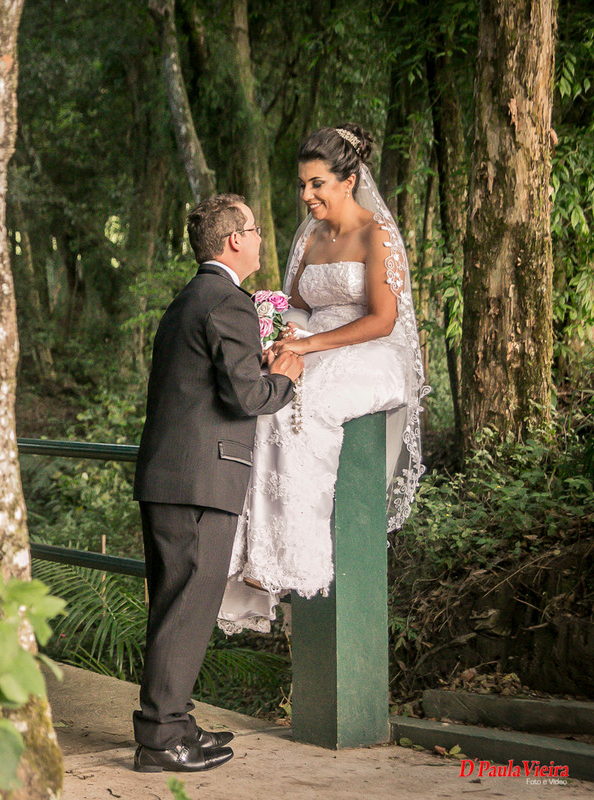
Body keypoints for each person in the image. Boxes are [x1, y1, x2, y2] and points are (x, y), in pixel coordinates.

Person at [217, 124, 430, 633]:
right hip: (315, 340)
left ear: (349, 180)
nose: (305, 195)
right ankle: (255, 561)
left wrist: (308, 345)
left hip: (371, 350)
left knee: (304, 399)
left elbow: (382, 319)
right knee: (272, 391)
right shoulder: (312, 237)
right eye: (302, 184)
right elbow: (297, 307)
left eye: (316, 184)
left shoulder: (377, 234)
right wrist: (279, 339)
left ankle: (299, 561)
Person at [132, 193, 304, 772]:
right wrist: (283, 376)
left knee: (175, 605)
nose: (259, 237)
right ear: (234, 240)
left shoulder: (189, 299)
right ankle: (159, 738)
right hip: (200, 480)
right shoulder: (228, 303)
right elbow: (246, 395)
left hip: (170, 476)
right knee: (188, 608)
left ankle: (174, 721)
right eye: (253, 229)